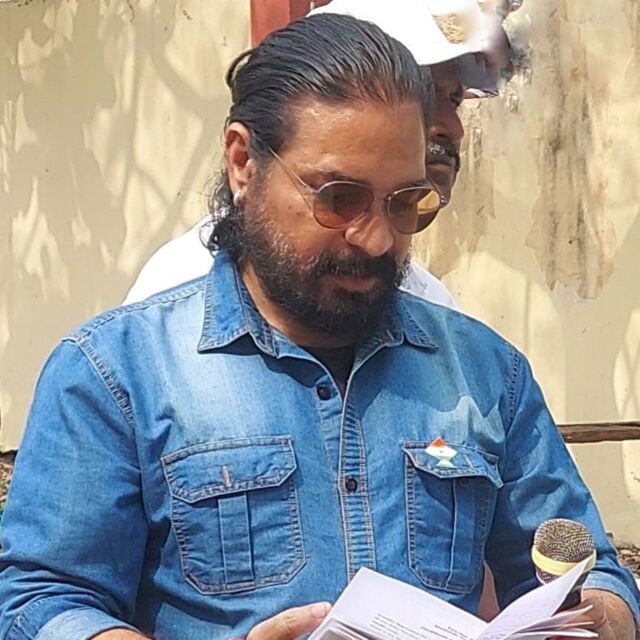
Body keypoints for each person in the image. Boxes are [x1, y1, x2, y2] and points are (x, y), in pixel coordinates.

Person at [0, 13, 638, 640]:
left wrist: (595, 621)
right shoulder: (116, 373)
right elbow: (41, 601)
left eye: (406, 203)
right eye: (340, 198)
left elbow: (594, 576)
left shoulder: (486, 373)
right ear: (244, 162)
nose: (376, 238)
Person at [123, 0, 520, 308]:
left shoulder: (432, 309)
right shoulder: (179, 304)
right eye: (419, 96)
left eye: (453, 100)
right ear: (243, 162)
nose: (452, 128)